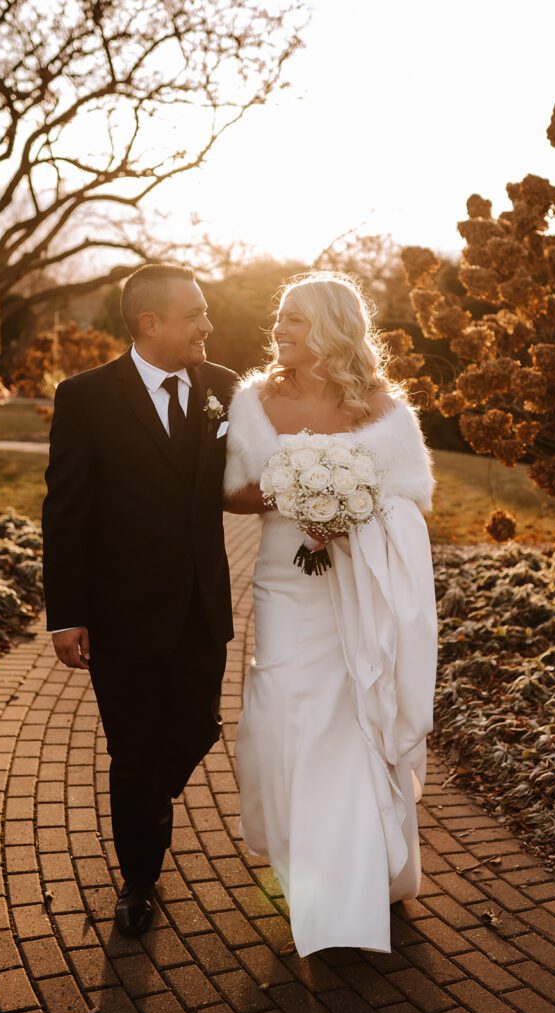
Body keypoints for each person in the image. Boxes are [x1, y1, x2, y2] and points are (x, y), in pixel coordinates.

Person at [223, 270, 438, 956]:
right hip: (286, 583)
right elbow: (229, 492)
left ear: (334, 329)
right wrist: (286, 495)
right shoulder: (253, 402)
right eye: (279, 320)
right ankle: (301, 861)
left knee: (350, 716)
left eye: (295, 321)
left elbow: (412, 501)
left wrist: (350, 514)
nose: (279, 332)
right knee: (287, 709)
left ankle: (354, 881)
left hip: (357, 585)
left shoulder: (383, 409)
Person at [42, 263, 238, 935]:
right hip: (121, 616)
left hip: (200, 609)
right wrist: (66, 614)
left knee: (197, 728)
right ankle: (138, 880)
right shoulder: (86, 398)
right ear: (151, 324)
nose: (208, 325)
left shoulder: (224, 387)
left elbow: (251, 470)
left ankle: (151, 794)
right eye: (196, 315)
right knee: (131, 754)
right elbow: (65, 511)